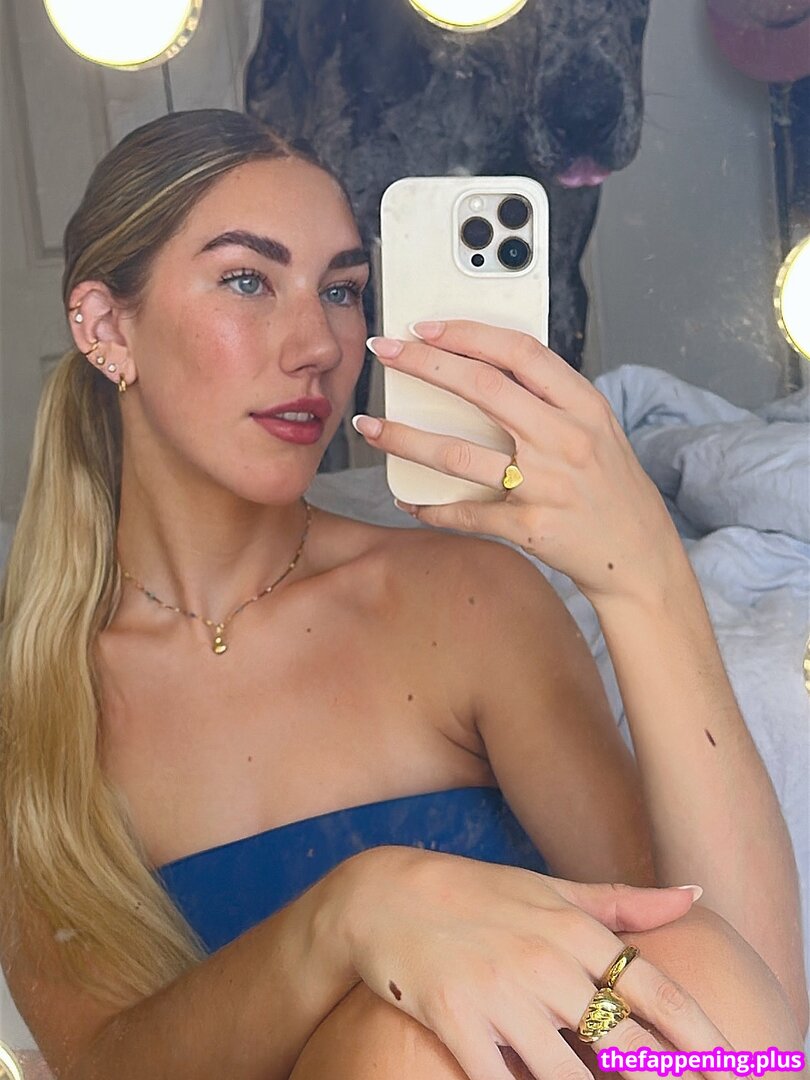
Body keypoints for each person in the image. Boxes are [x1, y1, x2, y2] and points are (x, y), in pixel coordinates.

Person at [0, 108, 804, 1080]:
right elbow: (97, 1066)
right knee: (397, 1043)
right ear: (104, 326)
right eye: (248, 279)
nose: (318, 345)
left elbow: (739, 1016)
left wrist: (646, 577)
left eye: (342, 290)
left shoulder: (461, 604)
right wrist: (353, 915)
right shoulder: (33, 703)